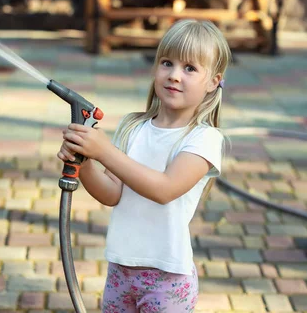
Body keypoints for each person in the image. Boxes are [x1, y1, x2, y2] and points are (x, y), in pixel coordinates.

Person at [57, 19, 231, 312]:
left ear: (213, 81)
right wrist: (85, 161)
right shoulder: (133, 127)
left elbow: (165, 189)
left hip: (168, 279)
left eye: (190, 68)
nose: (175, 75)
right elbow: (112, 193)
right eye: (167, 63)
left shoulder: (204, 139)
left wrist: (105, 151)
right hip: (121, 270)